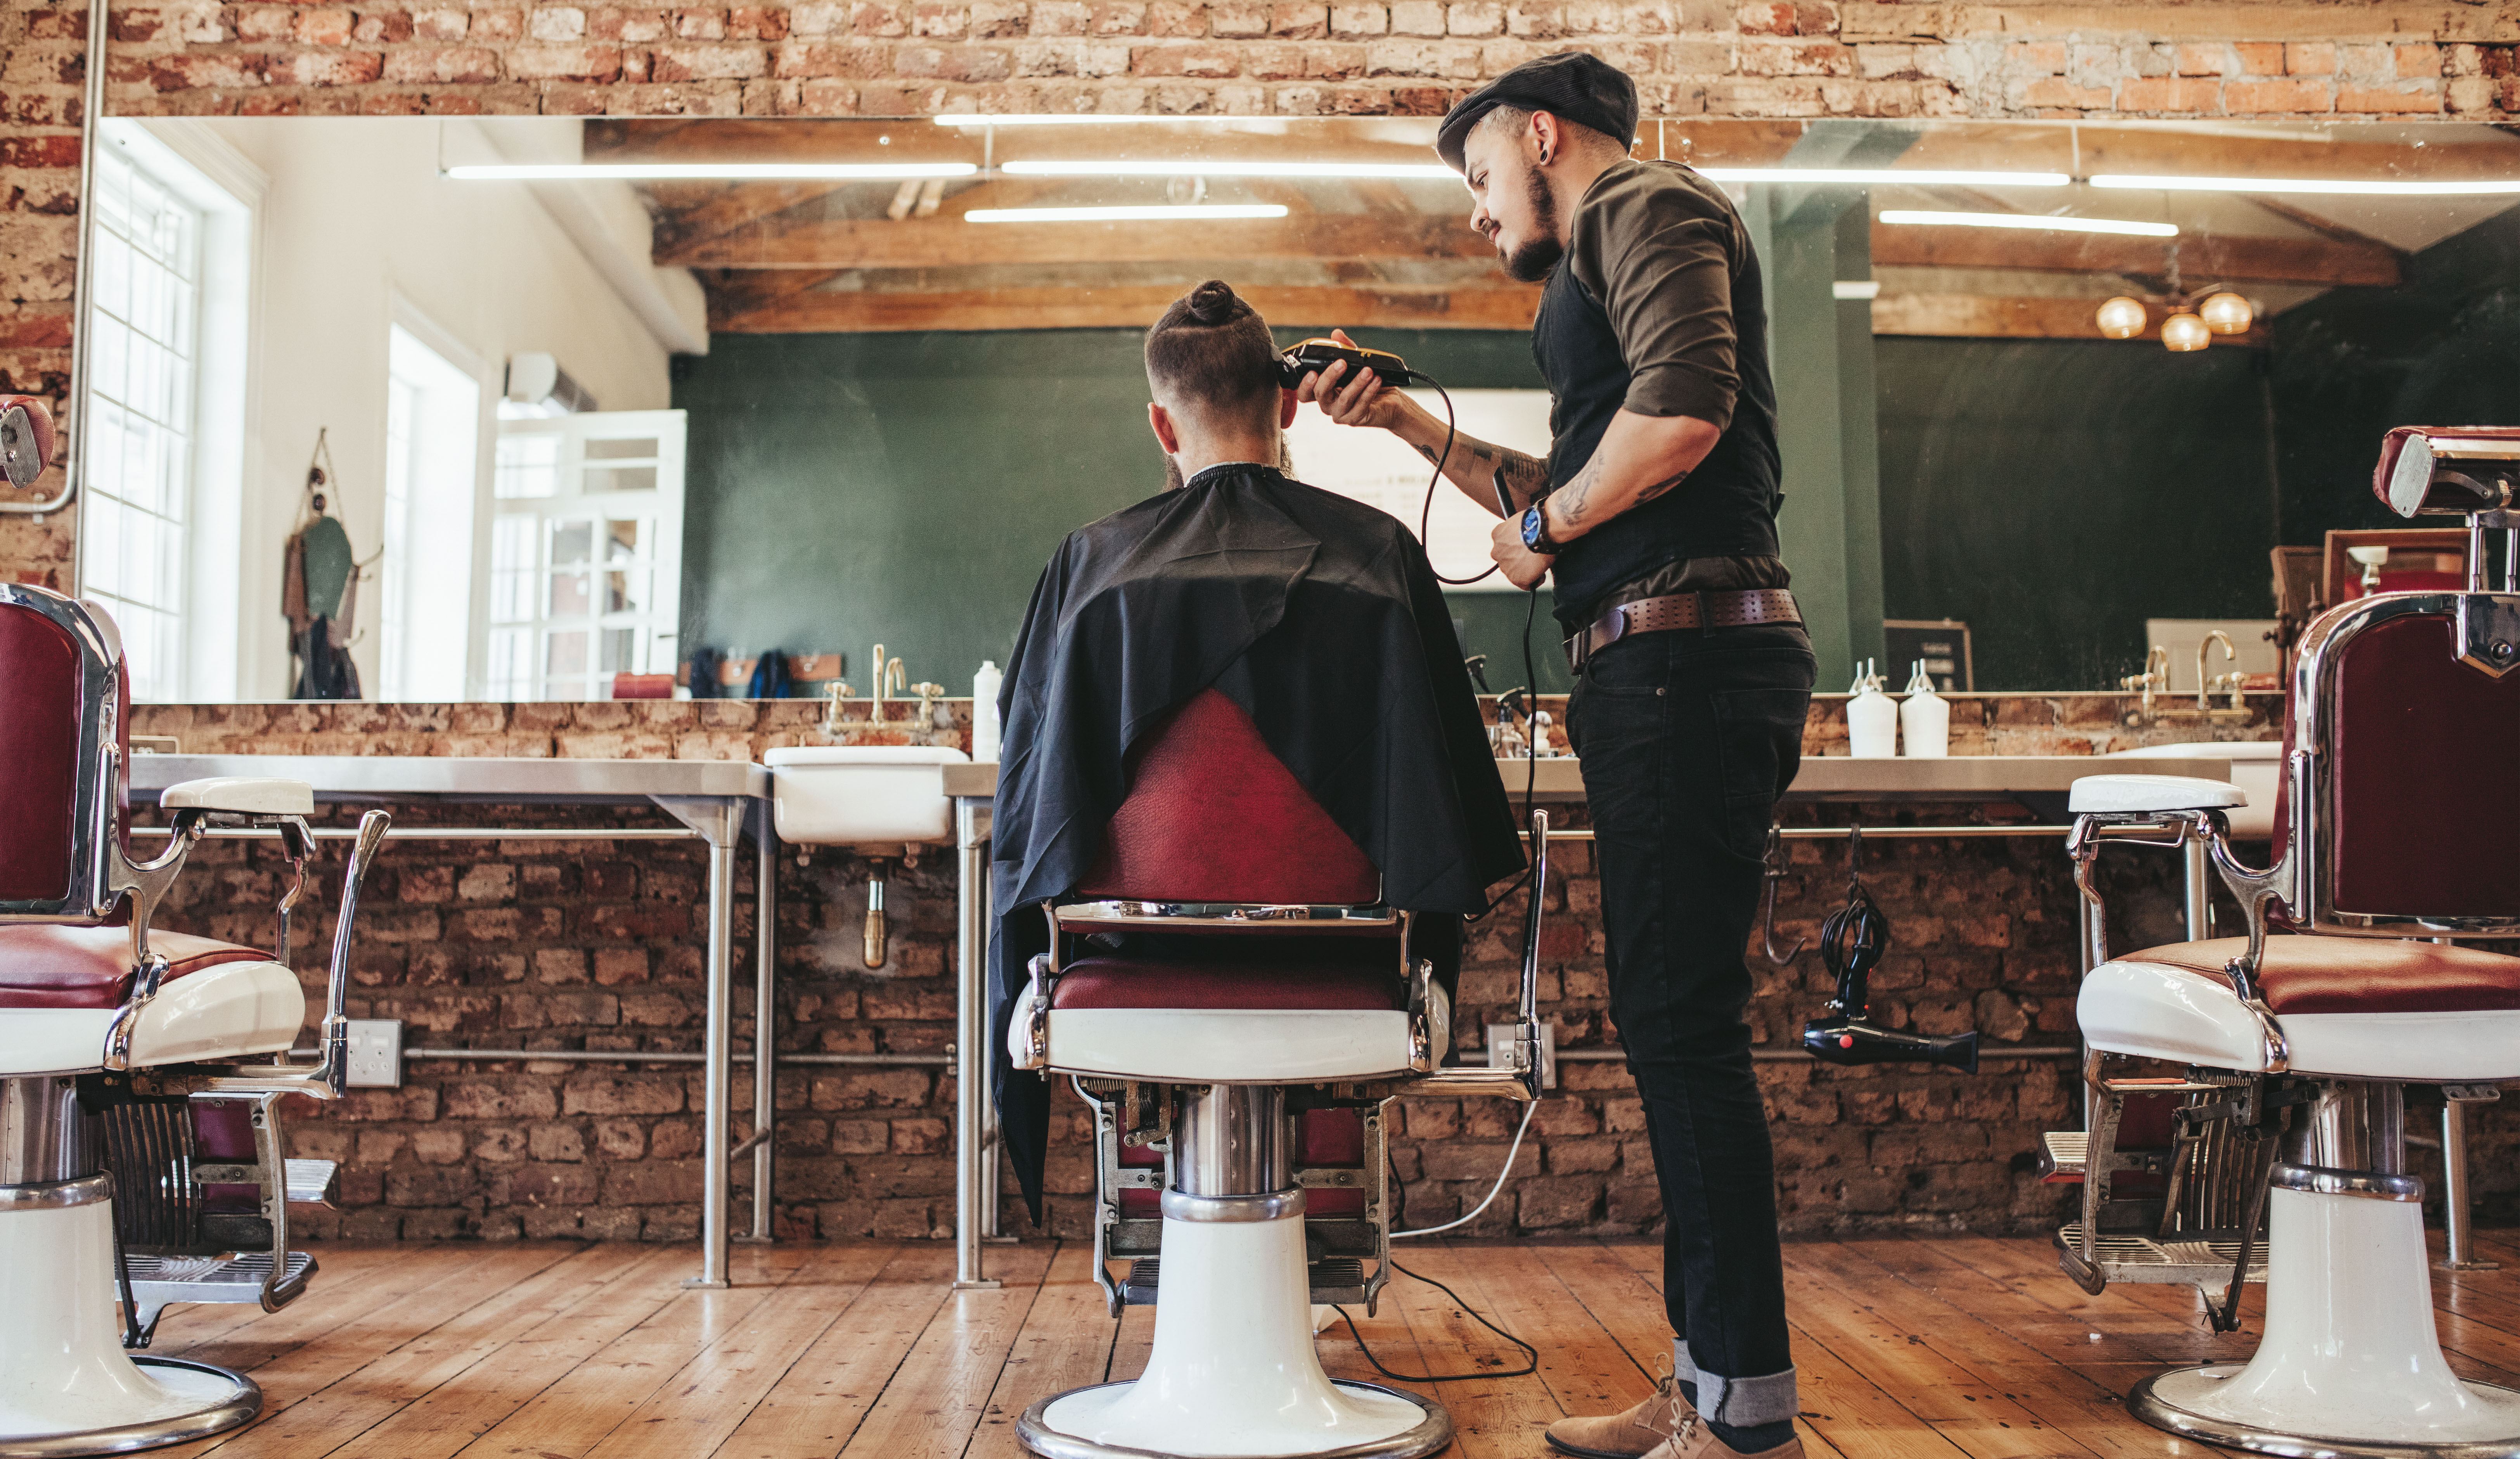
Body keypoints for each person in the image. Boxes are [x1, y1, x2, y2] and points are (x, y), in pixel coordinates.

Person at [1295, 51, 1816, 1459]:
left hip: (1686, 662)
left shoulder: (1640, 203)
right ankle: (1708, 1381)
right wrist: (1407, 425)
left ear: (1541, 136)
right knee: (1667, 1026)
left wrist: (1539, 536)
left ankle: (1742, 1418)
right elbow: (1569, 491)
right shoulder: (1600, 265)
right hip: (1659, 657)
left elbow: (1684, 416)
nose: (1476, 215)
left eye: (1476, 179)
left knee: (1681, 1032)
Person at [987, 280, 1525, 1223]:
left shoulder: (1088, 567)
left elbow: (1036, 802)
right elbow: (1441, 807)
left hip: (1133, 957)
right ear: (1286, 404)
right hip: (1343, 958)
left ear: (1161, 425)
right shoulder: (1380, 557)